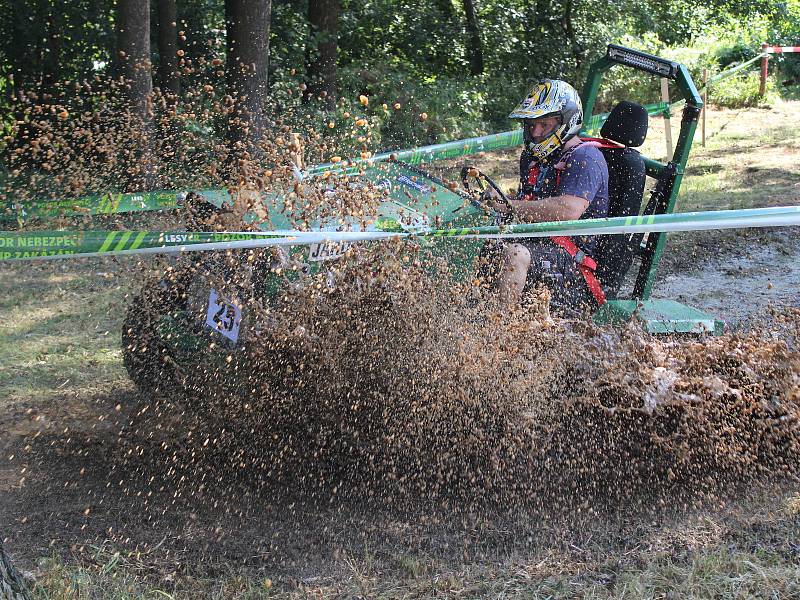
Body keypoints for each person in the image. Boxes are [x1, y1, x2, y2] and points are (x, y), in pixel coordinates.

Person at [489, 79, 609, 313]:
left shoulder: (585, 159)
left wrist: (509, 205)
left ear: (566, 122)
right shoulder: (534, 157)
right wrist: (499, 198)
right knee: (480, 243)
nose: (535, 132)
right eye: (531, 124)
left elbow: (568, 210)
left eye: (544, 124)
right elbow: (531, 199)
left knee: (515, 255)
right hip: (538, 243)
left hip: (574, 264)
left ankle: (496, 334)